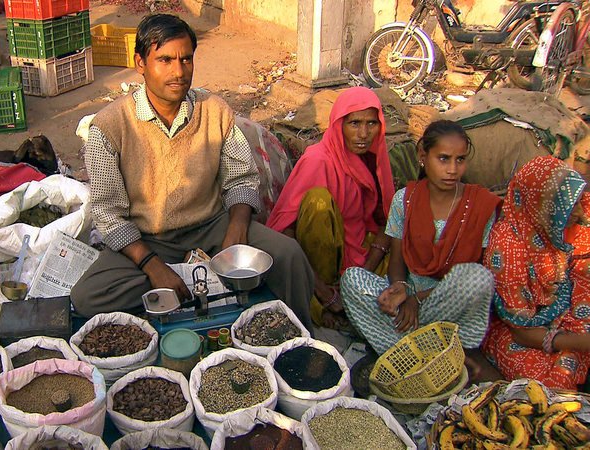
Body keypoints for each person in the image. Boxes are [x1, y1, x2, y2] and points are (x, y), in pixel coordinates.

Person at [71, 14, 315, 328]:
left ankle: (301, 337)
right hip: (148, 238)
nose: (178, 72)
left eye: (186, 59)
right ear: (140, 63)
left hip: (211, 227)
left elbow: (241, 177)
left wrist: (237, 229)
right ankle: (188, 281)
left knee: (289, 256)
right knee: (88, 296)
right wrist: (152, 265)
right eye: (165, 60)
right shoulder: (109, 126)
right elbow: (107, 212)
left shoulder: (213, 110)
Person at [340, 120, 500, 376]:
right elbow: (397, 259)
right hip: (410, 297)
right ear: (422, 156)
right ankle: (435, 354)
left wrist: (417, 300)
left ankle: (412, 350)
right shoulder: (405, 199)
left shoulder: (478, 205)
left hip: (450, 301)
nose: (452, 169)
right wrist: (400, 289)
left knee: (478, 278)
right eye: (444, 159)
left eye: (460, 160)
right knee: (352, 279)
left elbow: (475, 274)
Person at [266, 87, 395, 329]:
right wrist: (324, 291)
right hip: (318, 256)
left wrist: (360, 277)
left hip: (358, 248)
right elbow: (285, 230)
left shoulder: (375, 157)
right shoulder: (318, 160)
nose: (364, 134)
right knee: (318, 202)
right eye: (355, 123)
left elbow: (386, 221)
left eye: (371, 124)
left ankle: (350, 295)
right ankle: (321, 300)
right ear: (338, 125)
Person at [482, 155, 590, 390]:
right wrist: (582, 342)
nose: (580, 212)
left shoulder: (568, 211)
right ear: (543, 207)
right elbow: (521, 332)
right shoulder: (508, 248)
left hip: (564, 302)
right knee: (551, 382)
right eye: (571, 208)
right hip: (522, 329)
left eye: (580, 200)